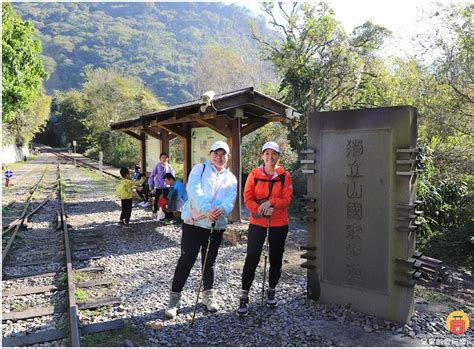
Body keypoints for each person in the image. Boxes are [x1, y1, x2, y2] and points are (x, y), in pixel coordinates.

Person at [165, 141, 237, 319]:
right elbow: (193, 189)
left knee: (209, 262)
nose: (219, 157)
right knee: (186, 260)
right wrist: (207, 209)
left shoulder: (231, 178)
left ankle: (208, 296)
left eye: (223, 154)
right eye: (216, 153)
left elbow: (230, 199)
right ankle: (174, 299)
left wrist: (223, 210)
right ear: (211, 154)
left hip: (216, 225)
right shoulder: (200, 169)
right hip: (194, 224)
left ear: (228, 157)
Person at [236, 141, 293, 317]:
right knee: (252, 257)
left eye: (274, 153)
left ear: (278, 156)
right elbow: (248, 197)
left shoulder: (285, 175)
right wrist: (258, 209)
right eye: (266, 153)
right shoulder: (254, 174)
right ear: (262, 156)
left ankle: (271, 290)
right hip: (257, 222)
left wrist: (271, 202)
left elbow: (286, 200)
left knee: (276, 258)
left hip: (279, 223)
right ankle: (244, 295)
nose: (270, 157)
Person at [148, 153, 175, 219]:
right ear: (160, 159)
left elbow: (172, 175)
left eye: (165, 158)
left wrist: (171, 184)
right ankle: (154, 212)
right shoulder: (157, 166)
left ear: (167, 159)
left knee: (165, 200)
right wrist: (150, 184)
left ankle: (163, 213)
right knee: (157, 199)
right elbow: (152, 175)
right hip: (159, 186)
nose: (164, 159)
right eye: (163, 157)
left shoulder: (169, 167)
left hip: (166, 186)